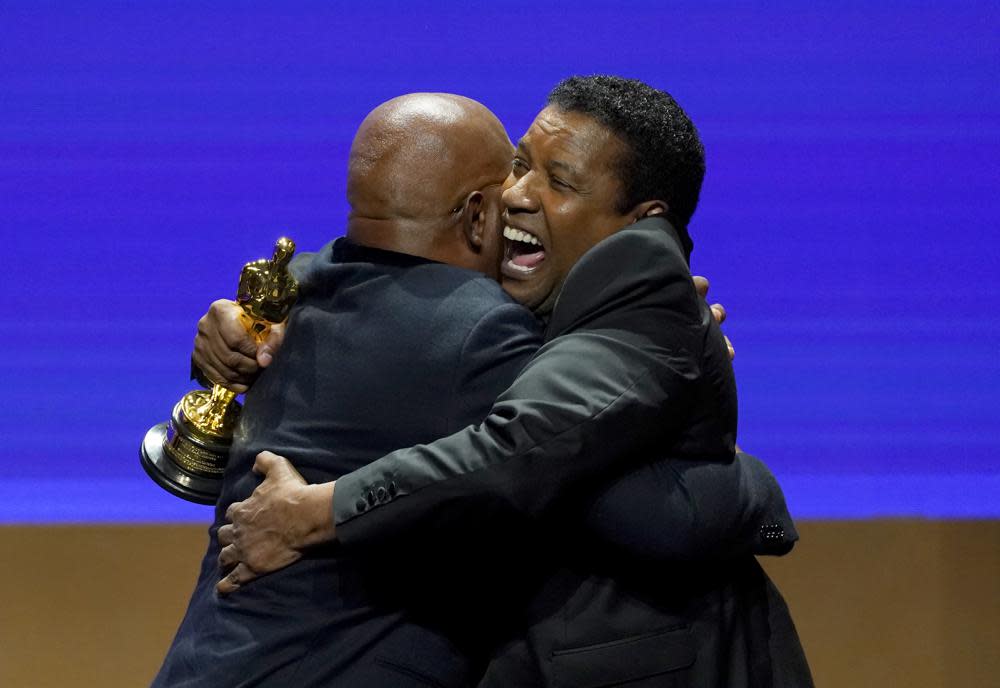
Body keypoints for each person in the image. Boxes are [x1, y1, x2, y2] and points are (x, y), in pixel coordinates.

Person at [166, 80, 808, 687]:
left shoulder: (301, 295)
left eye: (555, 180)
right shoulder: (485, 335)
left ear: (641, 221)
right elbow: (653, 511)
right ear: (477, 215)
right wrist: (756, 490)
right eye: (518, 169)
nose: (520, 196)